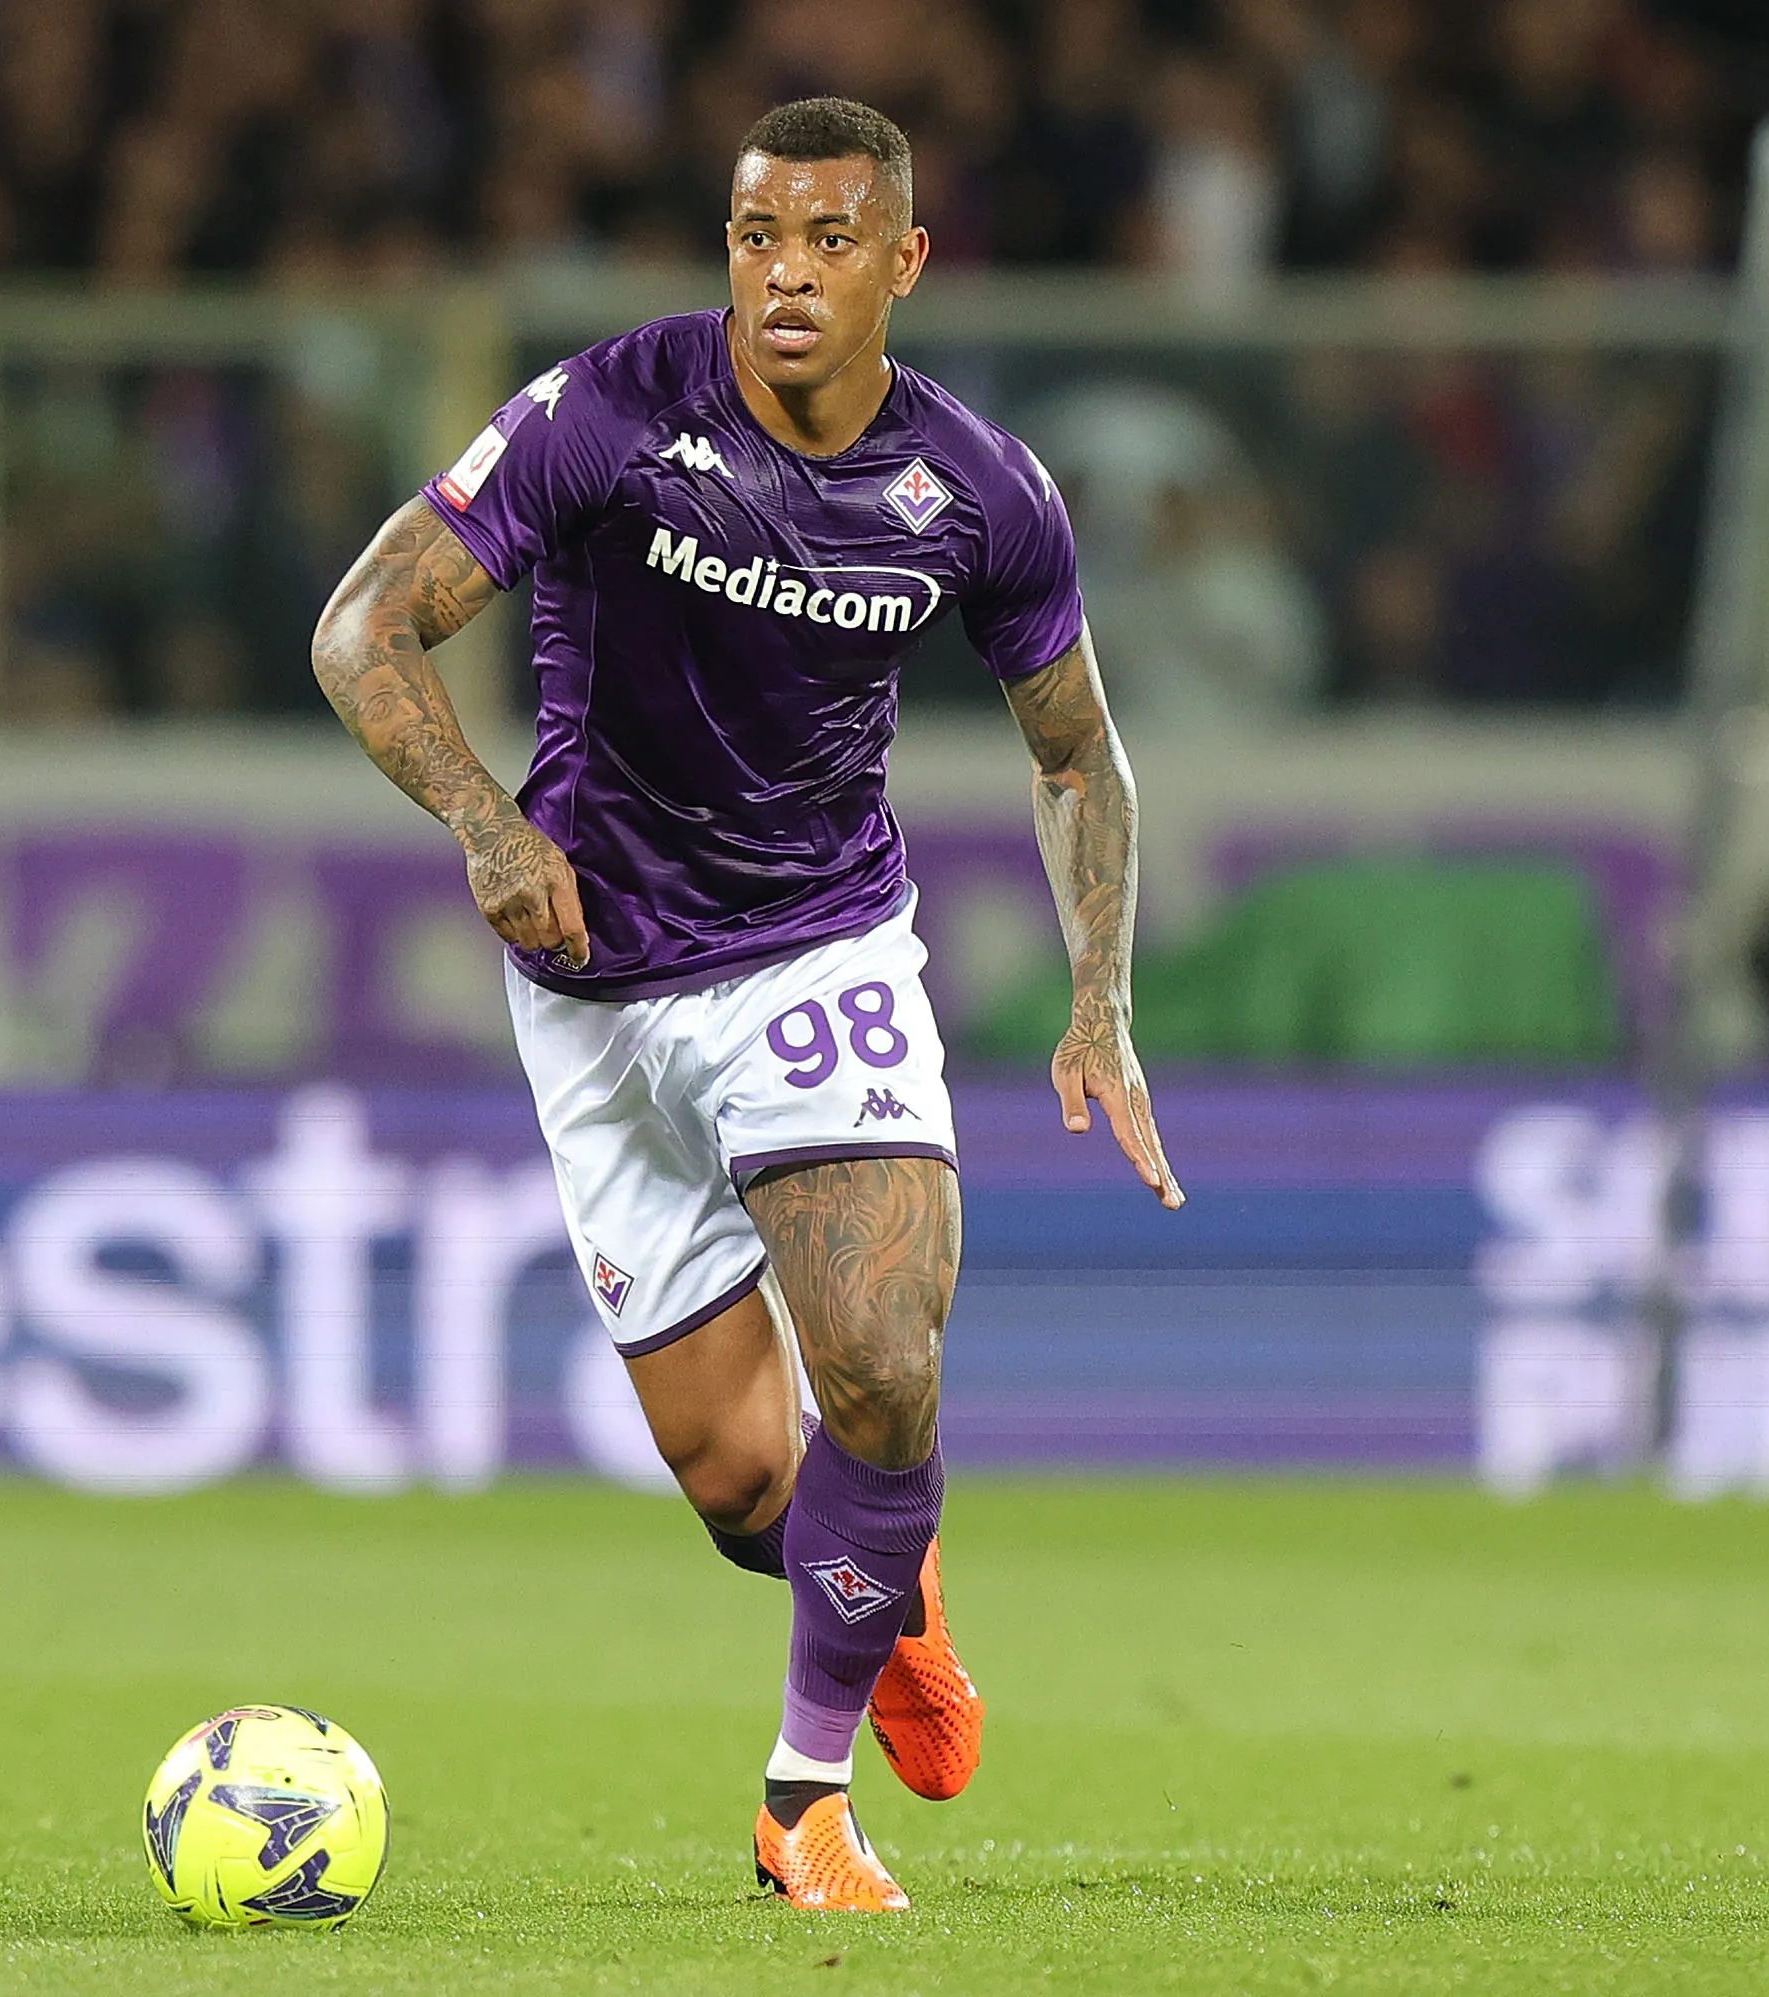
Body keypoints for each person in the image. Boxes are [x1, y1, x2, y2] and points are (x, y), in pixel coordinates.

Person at [309, 95, 1181, 1913]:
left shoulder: (980, 493)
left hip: (813, 946)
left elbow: (1078, 759)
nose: (787, 277)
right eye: (755, 237)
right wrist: (481, 822)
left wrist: (1100, 999)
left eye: (831, 242)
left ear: (905, 263)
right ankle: (895, 1578)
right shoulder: (607, 416)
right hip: (590, 972)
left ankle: (802, 1806)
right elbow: (362, 629)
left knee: (875, 1353)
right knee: (735, 1487)